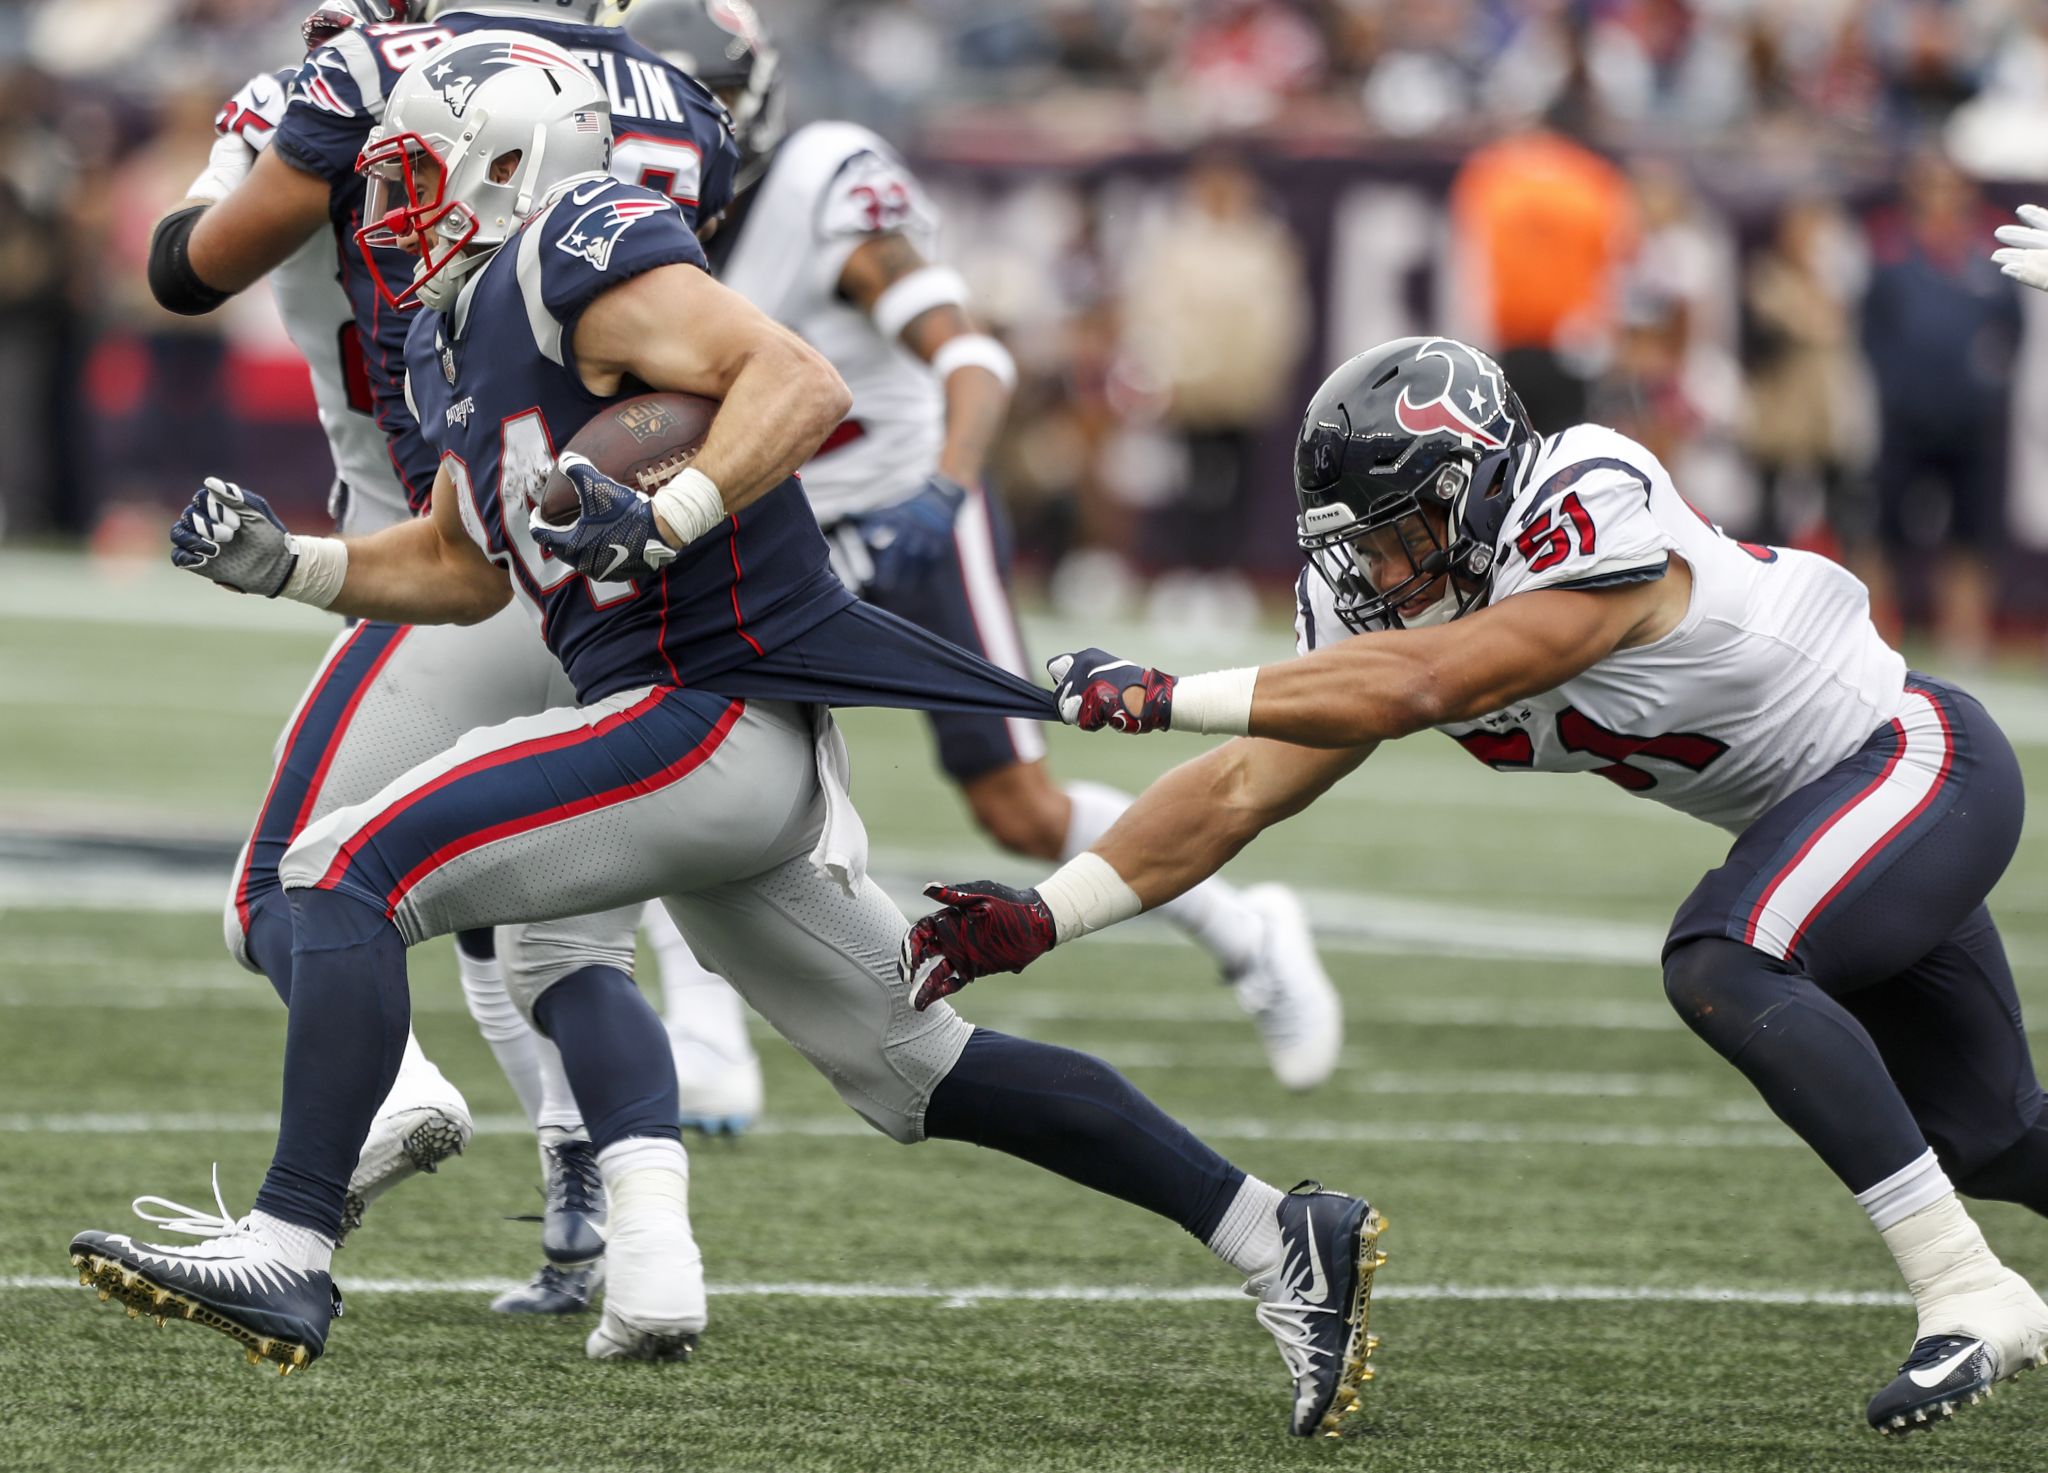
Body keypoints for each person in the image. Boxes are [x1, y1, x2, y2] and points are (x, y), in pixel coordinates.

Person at [71, 37, 1380, 1437]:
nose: (388, 206)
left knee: (334, 872)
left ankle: (292, 1241)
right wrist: (297, 567)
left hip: (701, 709)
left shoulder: (584, 236)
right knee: (918, 1068)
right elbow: (462, 568)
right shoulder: (459, 330)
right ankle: (1273, 1233)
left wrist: (675, 509)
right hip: (713, 747)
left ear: (507, 164)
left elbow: (800, 380)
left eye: (410, 174)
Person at [903, 335, 2048, 1438]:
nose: (1381, 572)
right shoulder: (1377, 600)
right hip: (1833, 814)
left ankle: (1963, 1288)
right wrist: (1051, 914)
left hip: (1909, 761)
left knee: (1723, 959)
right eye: (1360, 546)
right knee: (1992, 1137)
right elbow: (1241, 786)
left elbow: (1426, 684)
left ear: (1479, 480)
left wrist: (1166, 692)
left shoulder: (1588, 491)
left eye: (1401, 533)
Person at [611, 0, 1341, 1102]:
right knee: (692, 741)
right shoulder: (640, 214)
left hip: (912, 514)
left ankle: (1245, 932)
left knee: (1016, 807)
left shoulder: (825, 185)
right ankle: (710, 1037)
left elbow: (974, 362)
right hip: (779, 527)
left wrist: (943, 492)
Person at [137, 0, 744, 1317]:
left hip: (451, 548)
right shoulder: (671, 97)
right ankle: (632, 1245)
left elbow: (183, 271)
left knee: (284, 890)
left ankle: (390, 1099)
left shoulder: (356, 73)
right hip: (639, 560)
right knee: (563, 946)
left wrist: (242, 138)